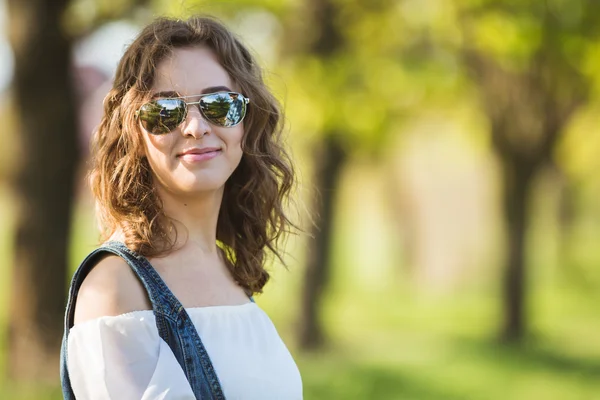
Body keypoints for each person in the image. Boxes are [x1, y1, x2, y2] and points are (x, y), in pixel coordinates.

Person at [60, 15, 303, 400]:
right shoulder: (116, 289)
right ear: (133, 133)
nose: (195, 126)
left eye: (218, 104)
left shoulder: (229, 270)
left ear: (246, 121)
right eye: (165, 111)